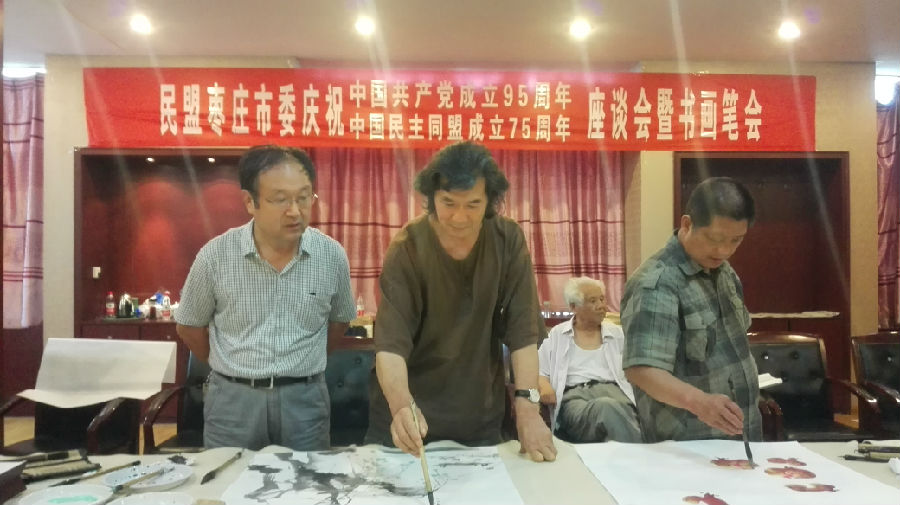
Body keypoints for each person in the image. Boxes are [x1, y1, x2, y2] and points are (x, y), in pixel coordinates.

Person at [366, 141, 556, 462]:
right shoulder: (408, 247)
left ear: (490, 200)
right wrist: (400, 406)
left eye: (473, 204)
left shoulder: (507, 240)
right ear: (431, 198)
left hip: (478, 418)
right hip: (408, 417)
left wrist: (528, 409)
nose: (459, 217)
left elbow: (523, 332)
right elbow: (390, 346)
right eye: (448, 203)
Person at [175, 145, 356, 451]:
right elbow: (189, 327)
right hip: (233, 403)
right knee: (228, 478)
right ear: (250, 201)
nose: (295, 211)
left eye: (304, 197)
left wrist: (301, 366)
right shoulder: (215, 256)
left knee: (308, 481)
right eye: (280, 199)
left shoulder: (331, 256)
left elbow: (339, 323)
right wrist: (232, 366)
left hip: (304, 403)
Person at [621, 177, 762, 442]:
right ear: (687, 224)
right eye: (715, 238)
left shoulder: (724, 272)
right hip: (688, 442)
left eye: (736, 240)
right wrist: (699, 402)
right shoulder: (658, 282)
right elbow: (641, 369)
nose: (724, 250)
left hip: (742, 435)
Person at [538, 277, 641, 442]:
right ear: (574, 307)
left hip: (616, 394)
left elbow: (636, 369)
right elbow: (539, 372)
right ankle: (640, 452)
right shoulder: (558, 334)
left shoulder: (618, 334)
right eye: (593, 301)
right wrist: (544, 389)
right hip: (576, 400)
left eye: (602, 299)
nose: (601, 305)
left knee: (615, 409)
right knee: (606, 408)